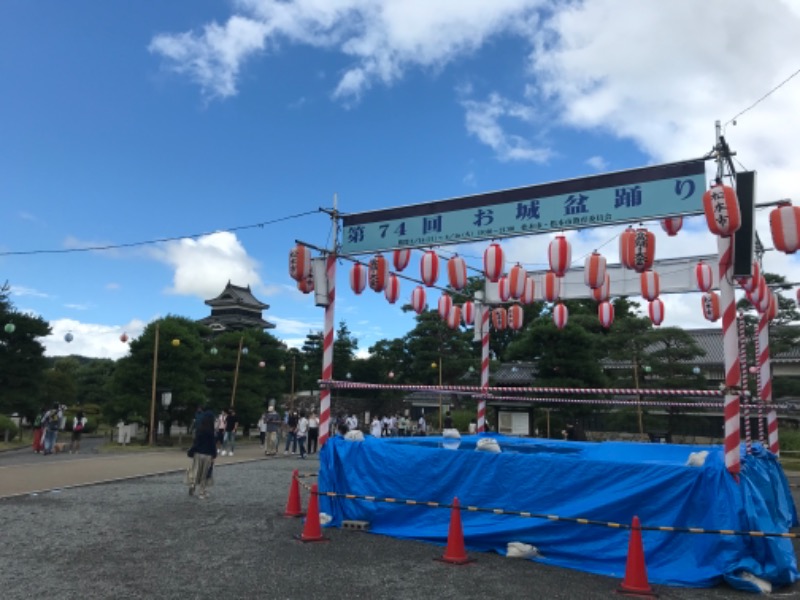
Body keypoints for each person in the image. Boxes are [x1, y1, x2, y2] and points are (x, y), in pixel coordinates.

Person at [187, 413, 217, 500]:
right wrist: (214, 455)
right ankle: (201, 492)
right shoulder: (211, 433)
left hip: (198, 454)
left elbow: (195, 443)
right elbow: (212, 445)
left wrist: (191, 451)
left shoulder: (199, 430)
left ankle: (192, 485)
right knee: (204, 474)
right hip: (207, 455)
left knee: (195, 471)